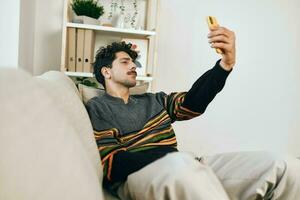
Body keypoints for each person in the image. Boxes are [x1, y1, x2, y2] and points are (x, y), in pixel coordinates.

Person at [85, 26, 300, 200]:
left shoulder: (153, 100)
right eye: (125, 62)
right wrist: (170, 157)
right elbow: (112, 163)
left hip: (187, 166)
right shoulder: (98, 107)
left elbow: (192, 103)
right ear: (106, 72)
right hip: (144, 176)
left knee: (283, 166)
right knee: (181, 166)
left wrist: (225, 65)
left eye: (133, 61)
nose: (133, 66)